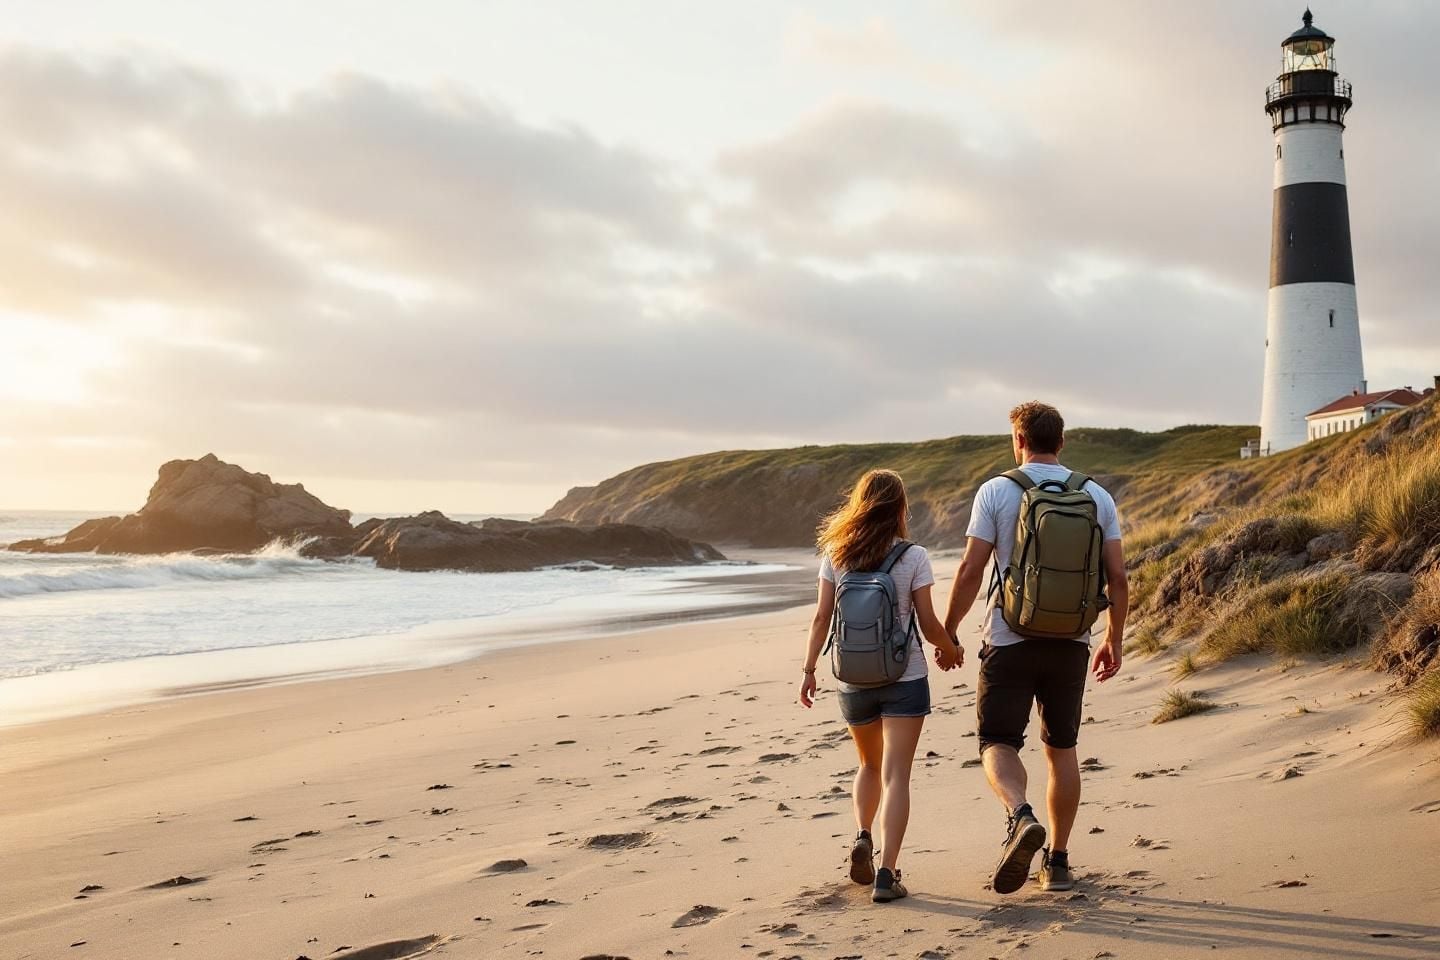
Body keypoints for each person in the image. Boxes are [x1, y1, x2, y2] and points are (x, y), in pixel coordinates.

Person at [941, 402, 1129, 895]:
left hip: (1009, 638)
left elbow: (971, 569)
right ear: (1061, 442)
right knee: (1061, 749)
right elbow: (1118, 578)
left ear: (1017, 441)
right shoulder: (1097, 495)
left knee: (998, 742)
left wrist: (948, 629)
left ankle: (1020, 815)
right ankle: (1060, 863)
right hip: (1072, 641)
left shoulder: (997, 490)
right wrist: (1115, 638)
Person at [799, 469, 963, 903]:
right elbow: (927, 623)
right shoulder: (914, 556)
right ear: (900, 508)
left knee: (868, 766)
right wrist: (949, 649)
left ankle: (862, 834)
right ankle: (887, 873)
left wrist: (809, 670)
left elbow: (821, 618)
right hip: (904, 676)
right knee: (897, 777)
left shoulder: (836, 551)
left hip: (852, 678)